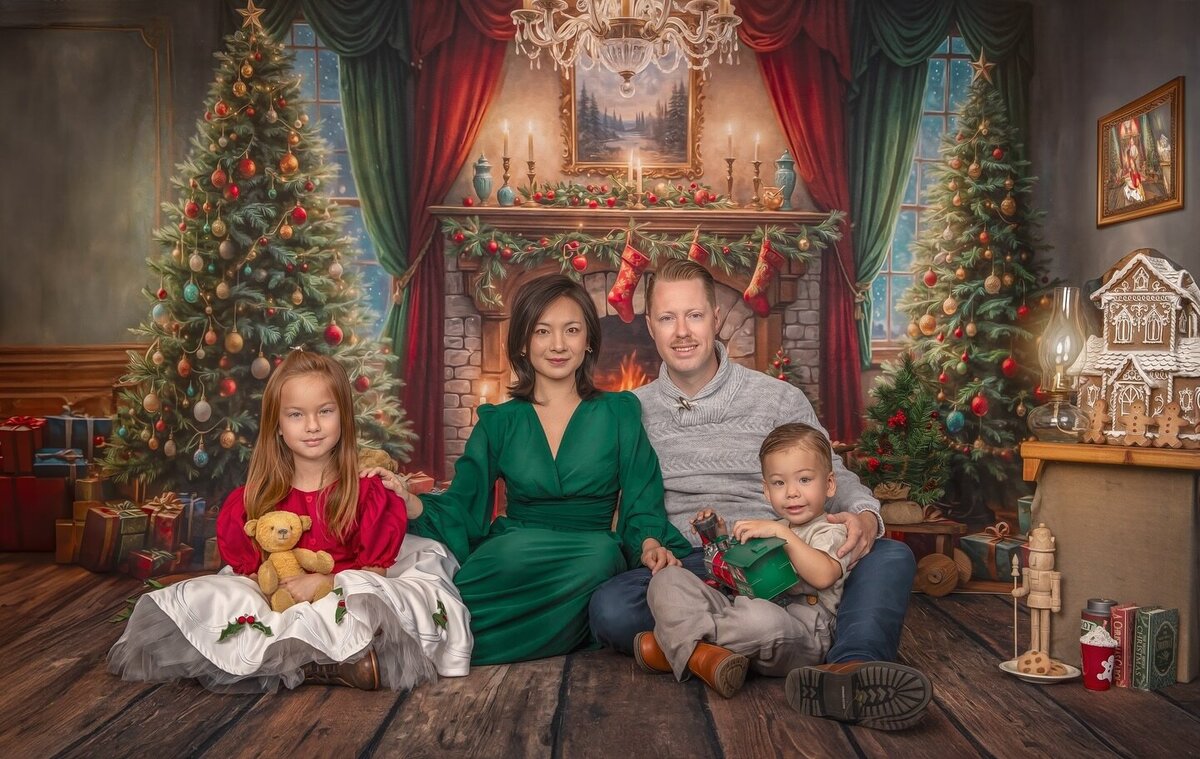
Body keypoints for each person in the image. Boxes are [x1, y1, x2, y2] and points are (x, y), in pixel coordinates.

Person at [588, 257, 930, 729]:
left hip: (784, 553)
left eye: (694, 315)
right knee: (609, 607)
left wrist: (867, 518)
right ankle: (761, 644)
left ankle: (850, 669)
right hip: (691, 564)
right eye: (667, 318)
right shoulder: (633, 410)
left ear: (715, 318)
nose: (682, 331)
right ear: (650, 326)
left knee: (890, 557)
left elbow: (832, 472)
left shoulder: (776, 399)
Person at [108, 350, 471, 692]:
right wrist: (270, 590)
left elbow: (374, 572)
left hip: (342, 584)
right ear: (278, 426)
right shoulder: (259, 498)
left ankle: (327, 662)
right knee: (215, 599)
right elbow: (250, 576)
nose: (312, 426)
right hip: (281, 592)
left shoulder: (366, 493)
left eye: (325, 412)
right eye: (296, 415)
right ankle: (317, 666)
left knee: (368, 599)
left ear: (343, 417)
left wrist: (325, 582)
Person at [378, 274, 692, 665]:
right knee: (483, 574)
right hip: (513, 552)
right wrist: (410, 502)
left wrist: (648, 542)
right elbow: (464, 505)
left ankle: (443, 648)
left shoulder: (619, 412)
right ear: (524, 343)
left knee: (599, 558)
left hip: (589, 554)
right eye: (543, 331)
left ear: (589, 340)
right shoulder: (499, 421)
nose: (558, 345)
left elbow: (642, 500)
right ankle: (419, 638)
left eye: (572, 330)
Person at [638, 423, 929, 728]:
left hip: (801, 631)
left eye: (804, 479)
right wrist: (718, 540)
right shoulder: (771, 525)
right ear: (766, 490)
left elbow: (824, 574)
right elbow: (733, 577)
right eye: (778, 483)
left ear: (829, 485)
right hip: (745, 614)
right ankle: (701, 654)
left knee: (759, 618)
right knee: (668, 579)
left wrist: (781, 534)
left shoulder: (831, 529)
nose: (792, 492)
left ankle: (675, 644)